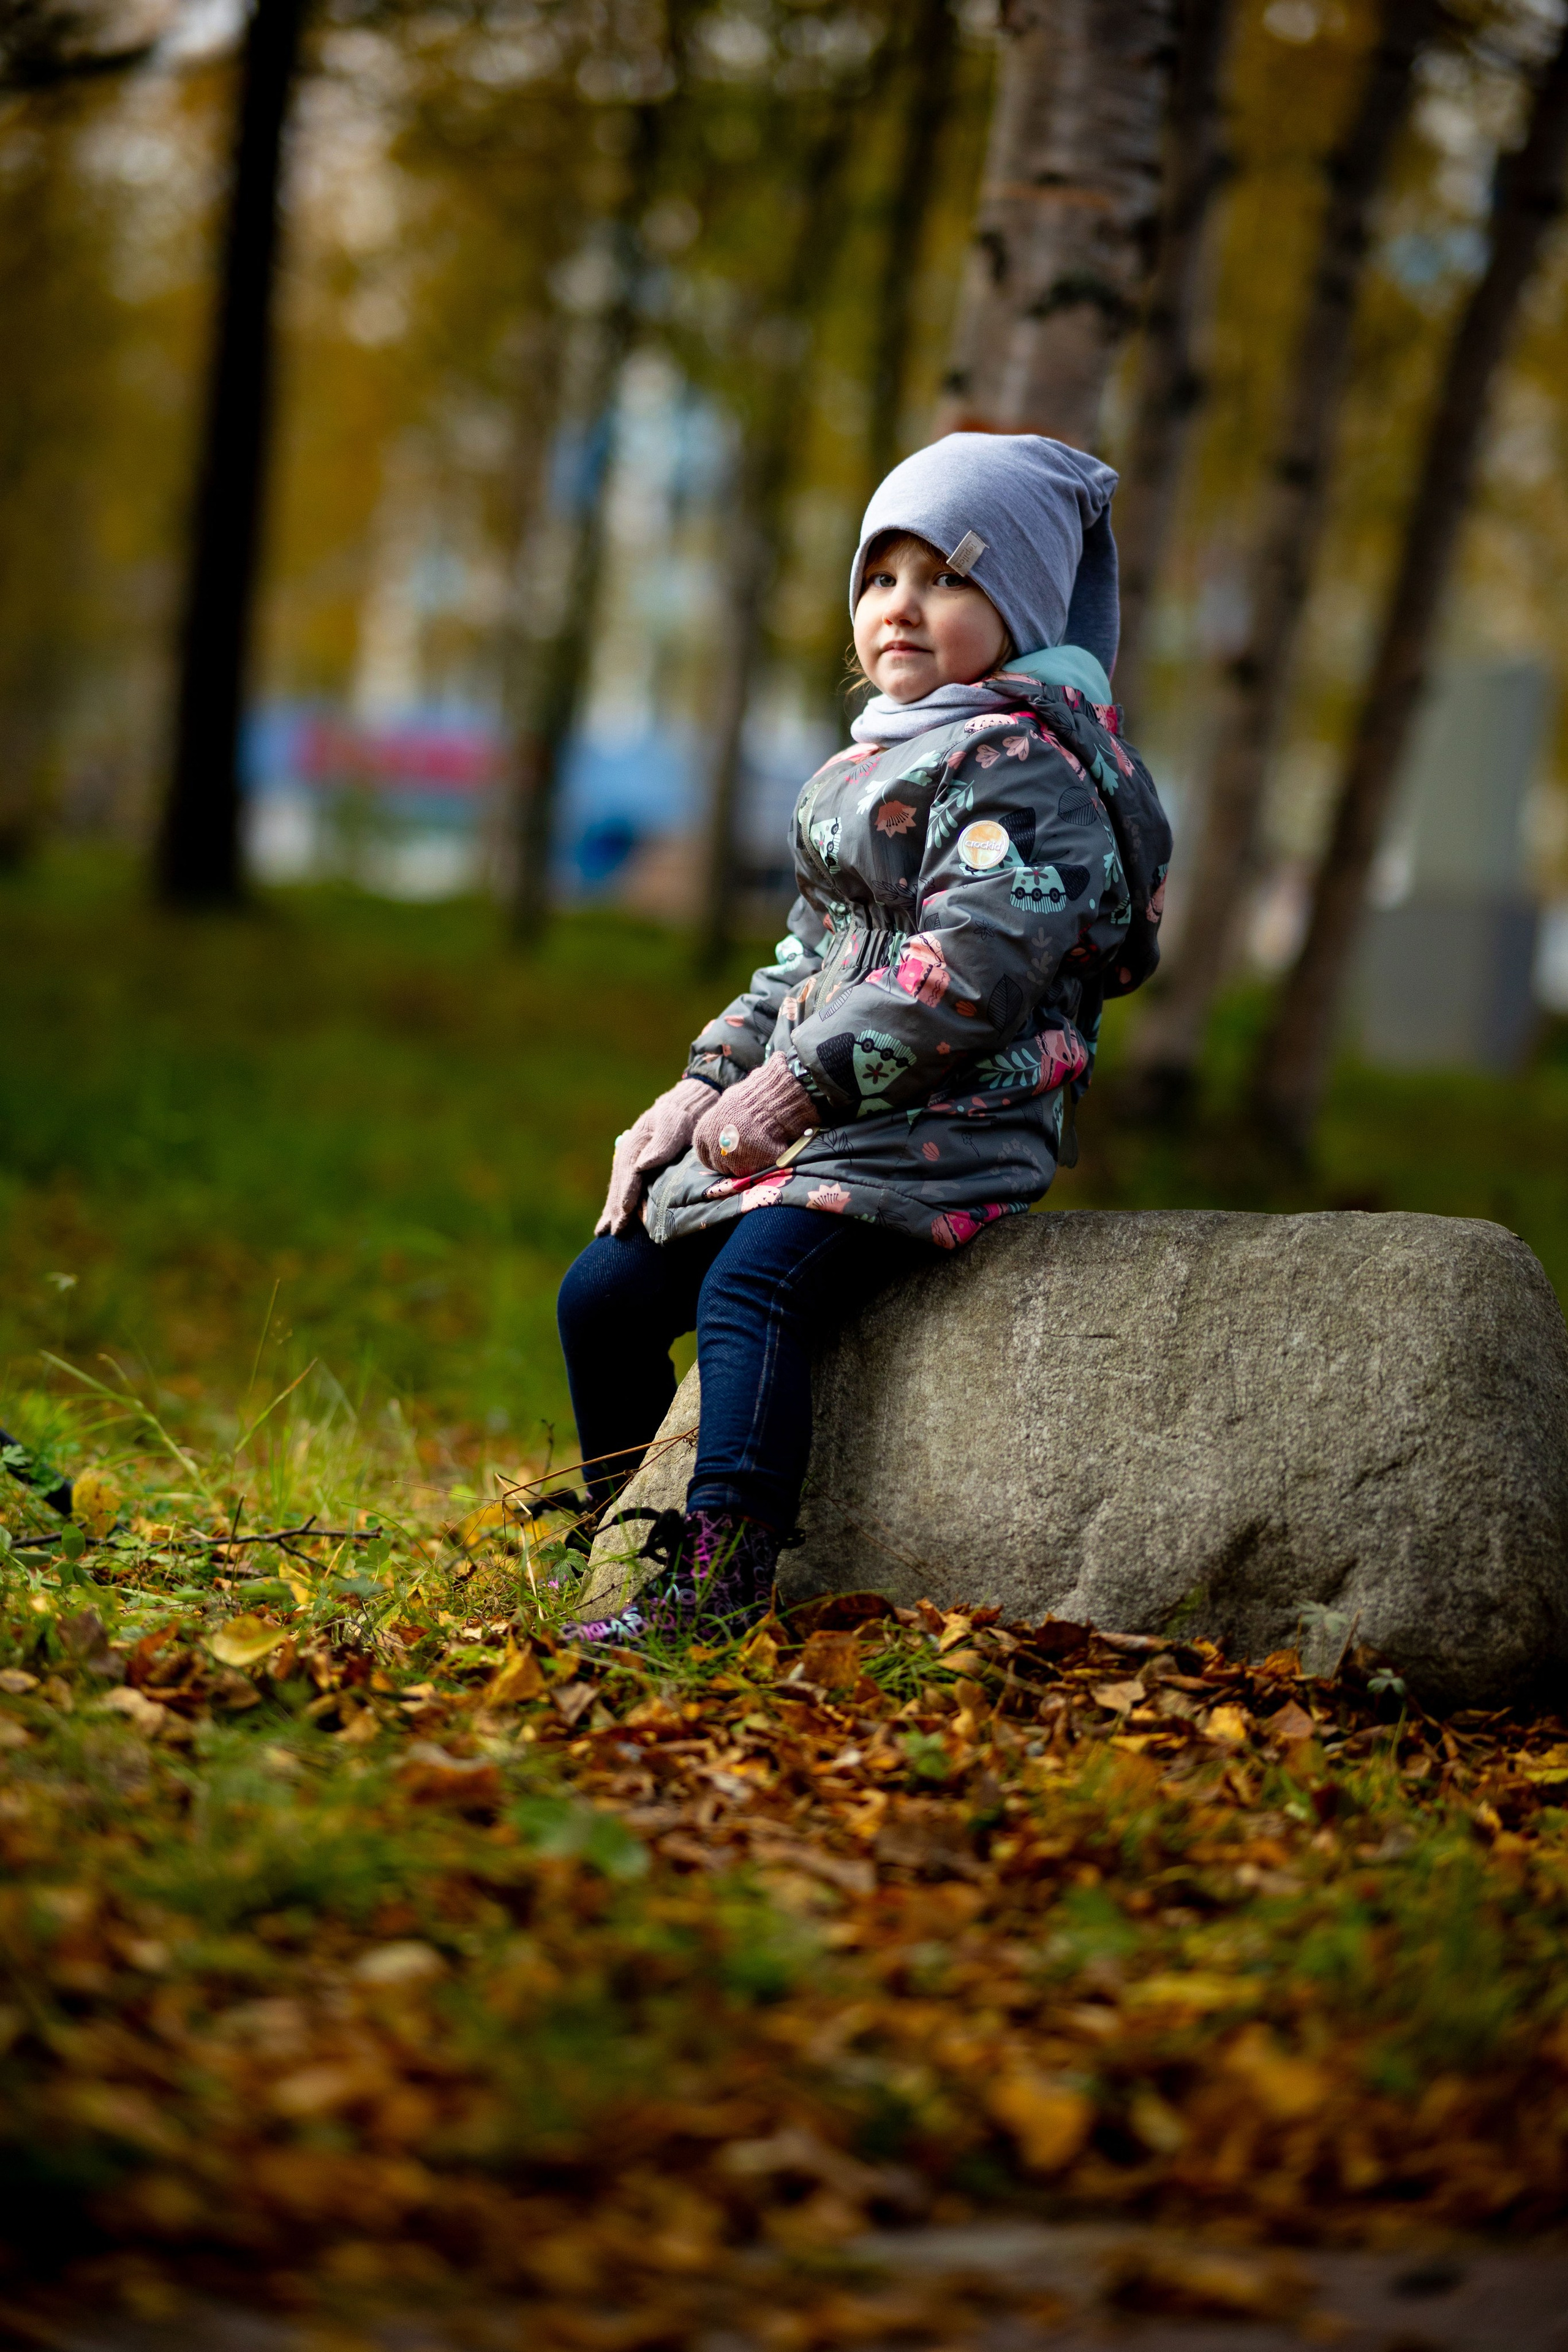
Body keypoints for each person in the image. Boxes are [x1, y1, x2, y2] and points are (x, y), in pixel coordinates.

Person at [556, 431, 1172, 1646]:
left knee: (753, 1285)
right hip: (829, 1121)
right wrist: (698, 1087)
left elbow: (970, 976)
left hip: (951, 1123)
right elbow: (808, 961)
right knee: (606, 1289)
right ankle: (618, 1535)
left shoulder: (1028, 774)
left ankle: (721, 1575)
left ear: (1020, 606)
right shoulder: (871, 760)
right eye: (880, 576)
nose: (901, 604)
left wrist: (788, 1090)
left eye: (946, 577)